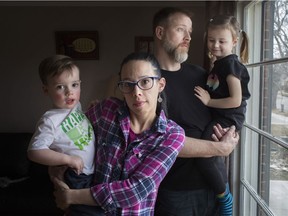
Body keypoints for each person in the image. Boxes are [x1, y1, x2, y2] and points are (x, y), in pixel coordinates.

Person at [50, 52, 186, 215]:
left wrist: (72, 196)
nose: (136, 92)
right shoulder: (106, 110)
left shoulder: (172, 135)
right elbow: (66, 136)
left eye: (145, 82)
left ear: (160, 84)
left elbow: (136, 189)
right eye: (128, 84)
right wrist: (56, 172)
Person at [152, 7, 239, 216]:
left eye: (190, 32)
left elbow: (229, 111)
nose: (189, 37)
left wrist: (230, 135)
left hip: (215, 183)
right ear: (160, 33)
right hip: (176, 191)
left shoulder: (201, 74)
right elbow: (157, 140)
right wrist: (219, 148)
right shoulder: (148, 81)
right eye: (181, 30)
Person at [27, 55, 101, 216]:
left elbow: (74, 128)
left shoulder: (76, 107)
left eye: (74, 85)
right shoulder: (50, 120)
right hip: (76, 175)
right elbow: (34, 151)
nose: (69, 92)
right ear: (46, 90)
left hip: (92, 170)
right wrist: (68, 159)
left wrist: (88, 112)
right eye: (60, 87)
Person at [194, 15, 250, 215]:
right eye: (211, 40)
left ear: (234, 42)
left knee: (205, 156)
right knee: (211, 156)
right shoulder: (219, 63)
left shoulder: (230, 64)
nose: (215, 45)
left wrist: (209, 102)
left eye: (222, 41)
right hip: (221, 116)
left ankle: (224, 197)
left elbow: (235, 99)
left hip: (229, 118)